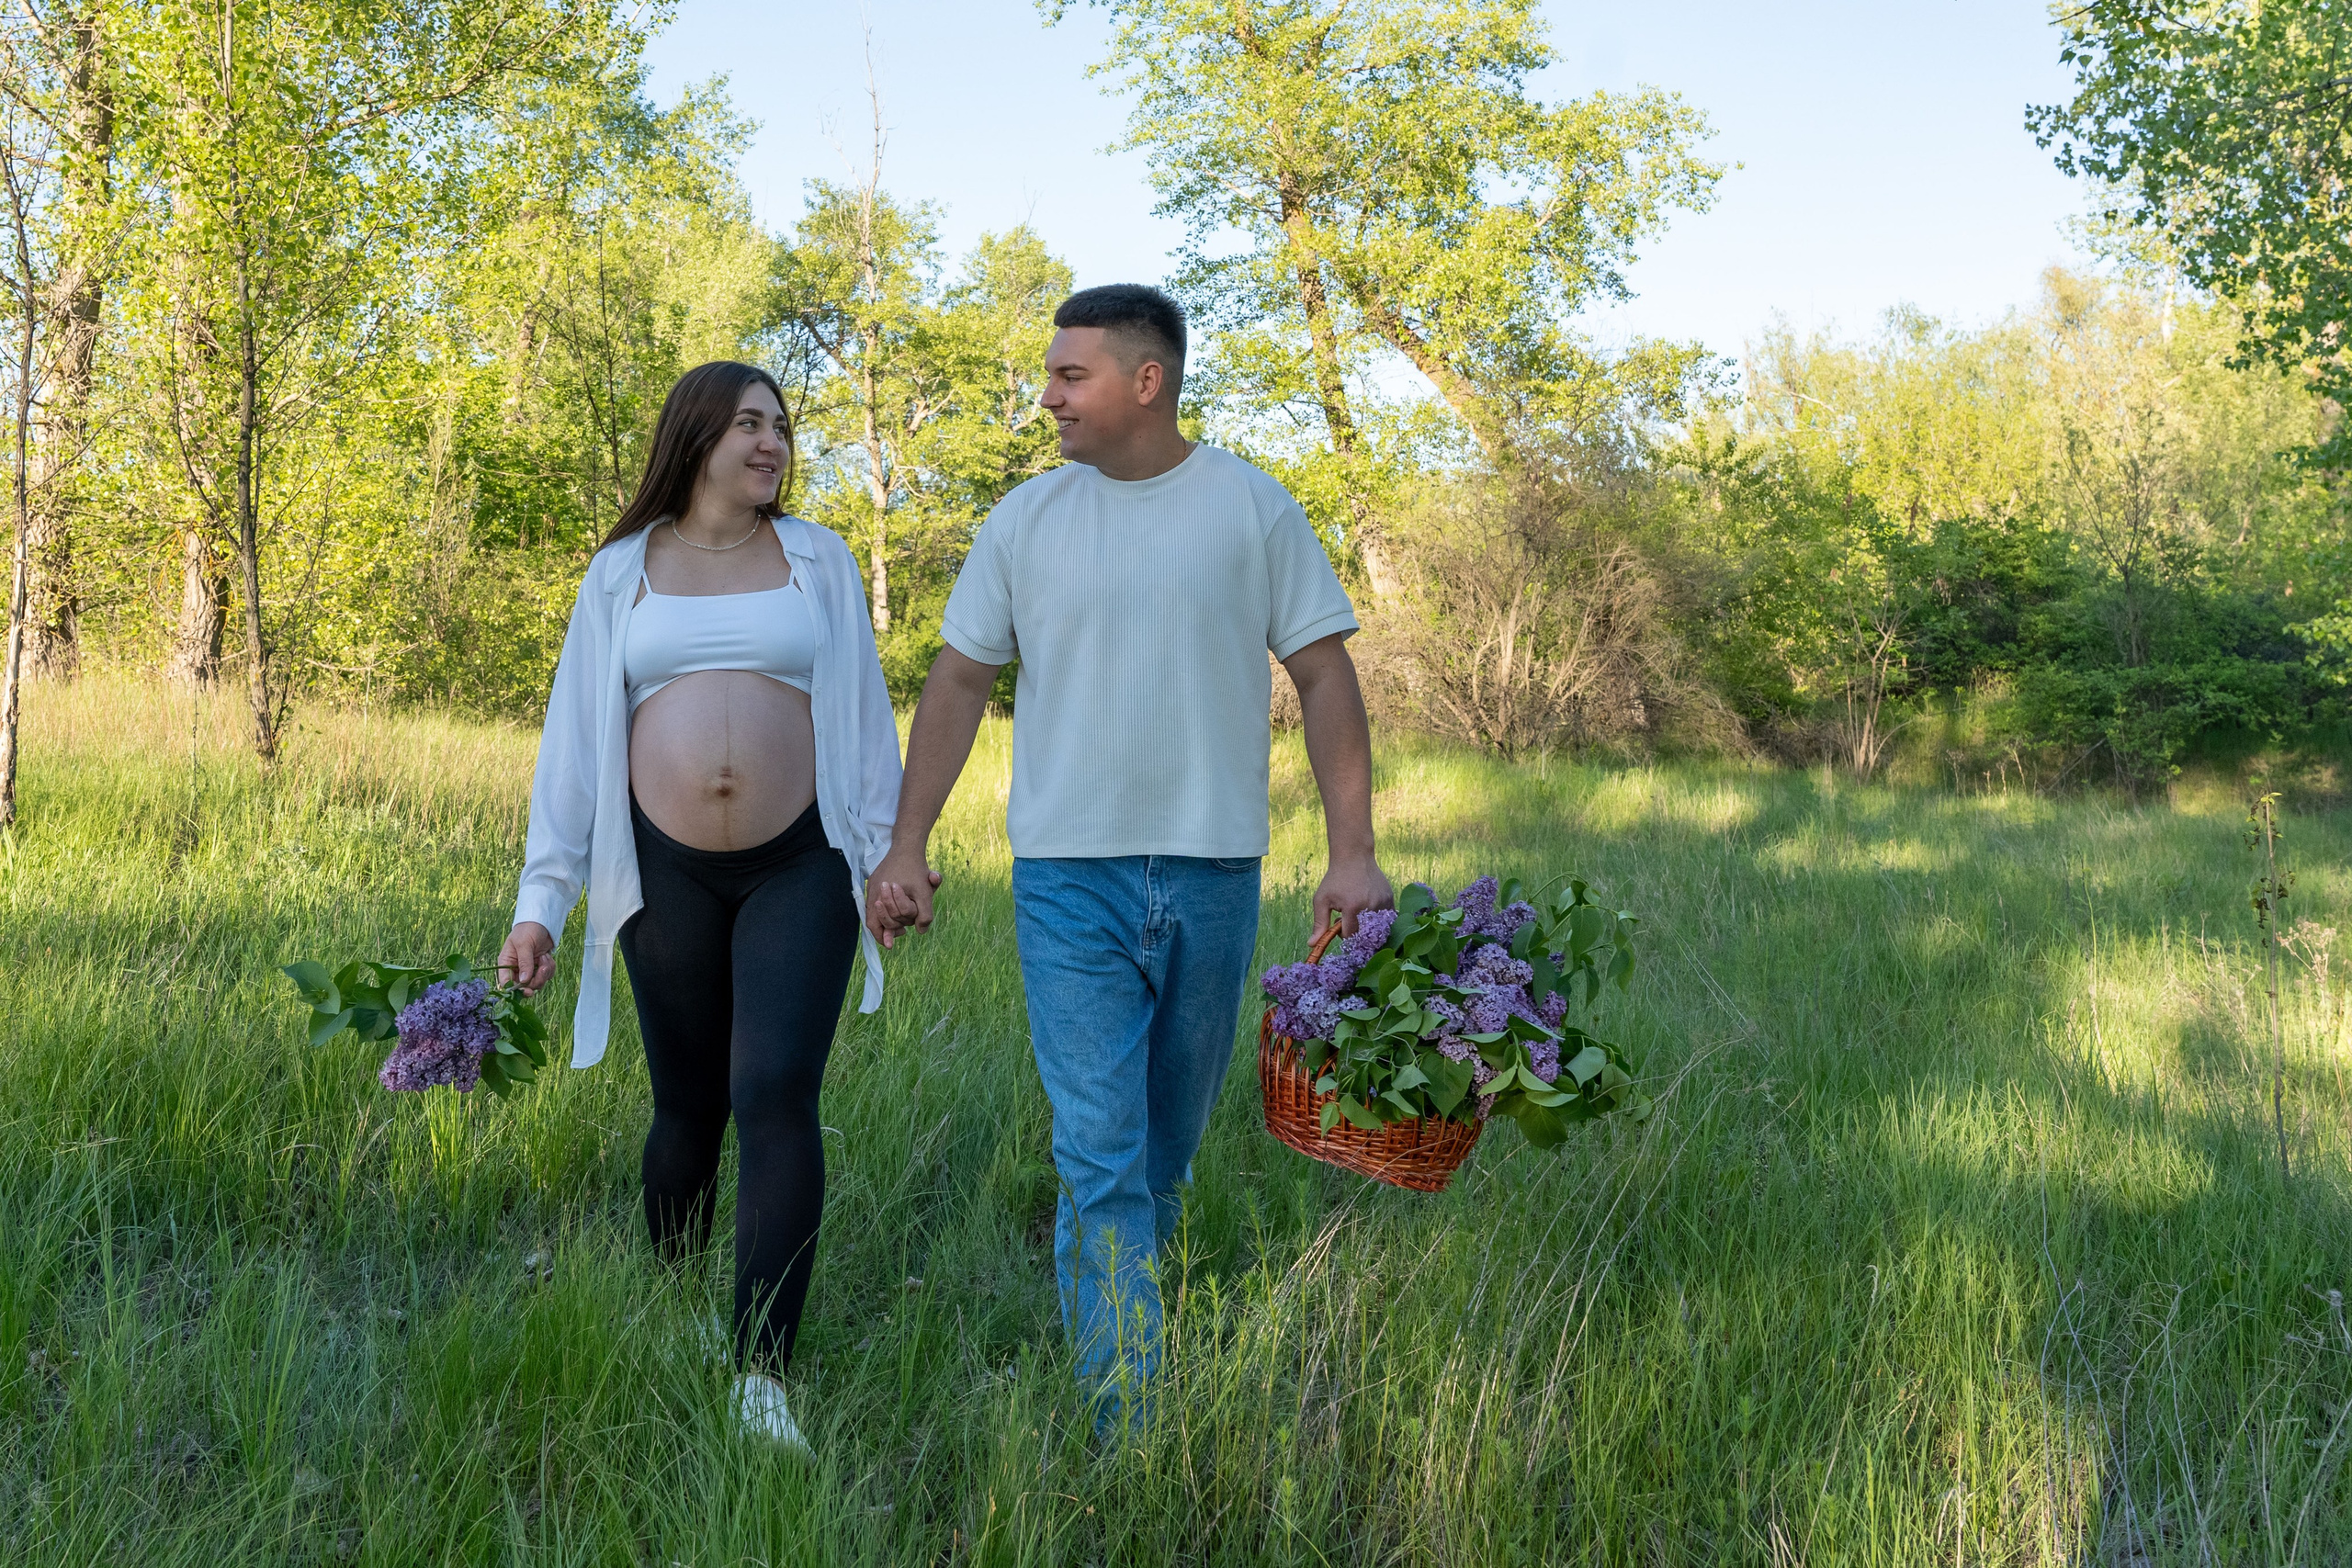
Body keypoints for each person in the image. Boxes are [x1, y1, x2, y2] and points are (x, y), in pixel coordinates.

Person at [866, 284, 1393, 1420]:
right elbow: (959, 680)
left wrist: (1352, 854)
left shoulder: (1251, 510)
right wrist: (905, 843)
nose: (1046, 395)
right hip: (1068, 879)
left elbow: (1325, 677)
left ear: (1144, 383)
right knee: (1099, 1155)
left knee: (1162, 1159)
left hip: (1213, 873)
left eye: (1069, 375)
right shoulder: (1025, 521)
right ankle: (1131, 1429)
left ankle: (1136, 1341)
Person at [494, 361, 908, 1451]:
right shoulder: (621, 572)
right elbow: (575, 748)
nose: (770, 443)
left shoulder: (816, 559)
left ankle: (761, 1375)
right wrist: (544, 902)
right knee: (688, 1105)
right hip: (661, 868)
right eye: (747, 425)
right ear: (696, 437)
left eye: (779, 425)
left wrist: (885, 859)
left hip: (800, 861)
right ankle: (672, 1295)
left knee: (772, 1088)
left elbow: (863, 716)